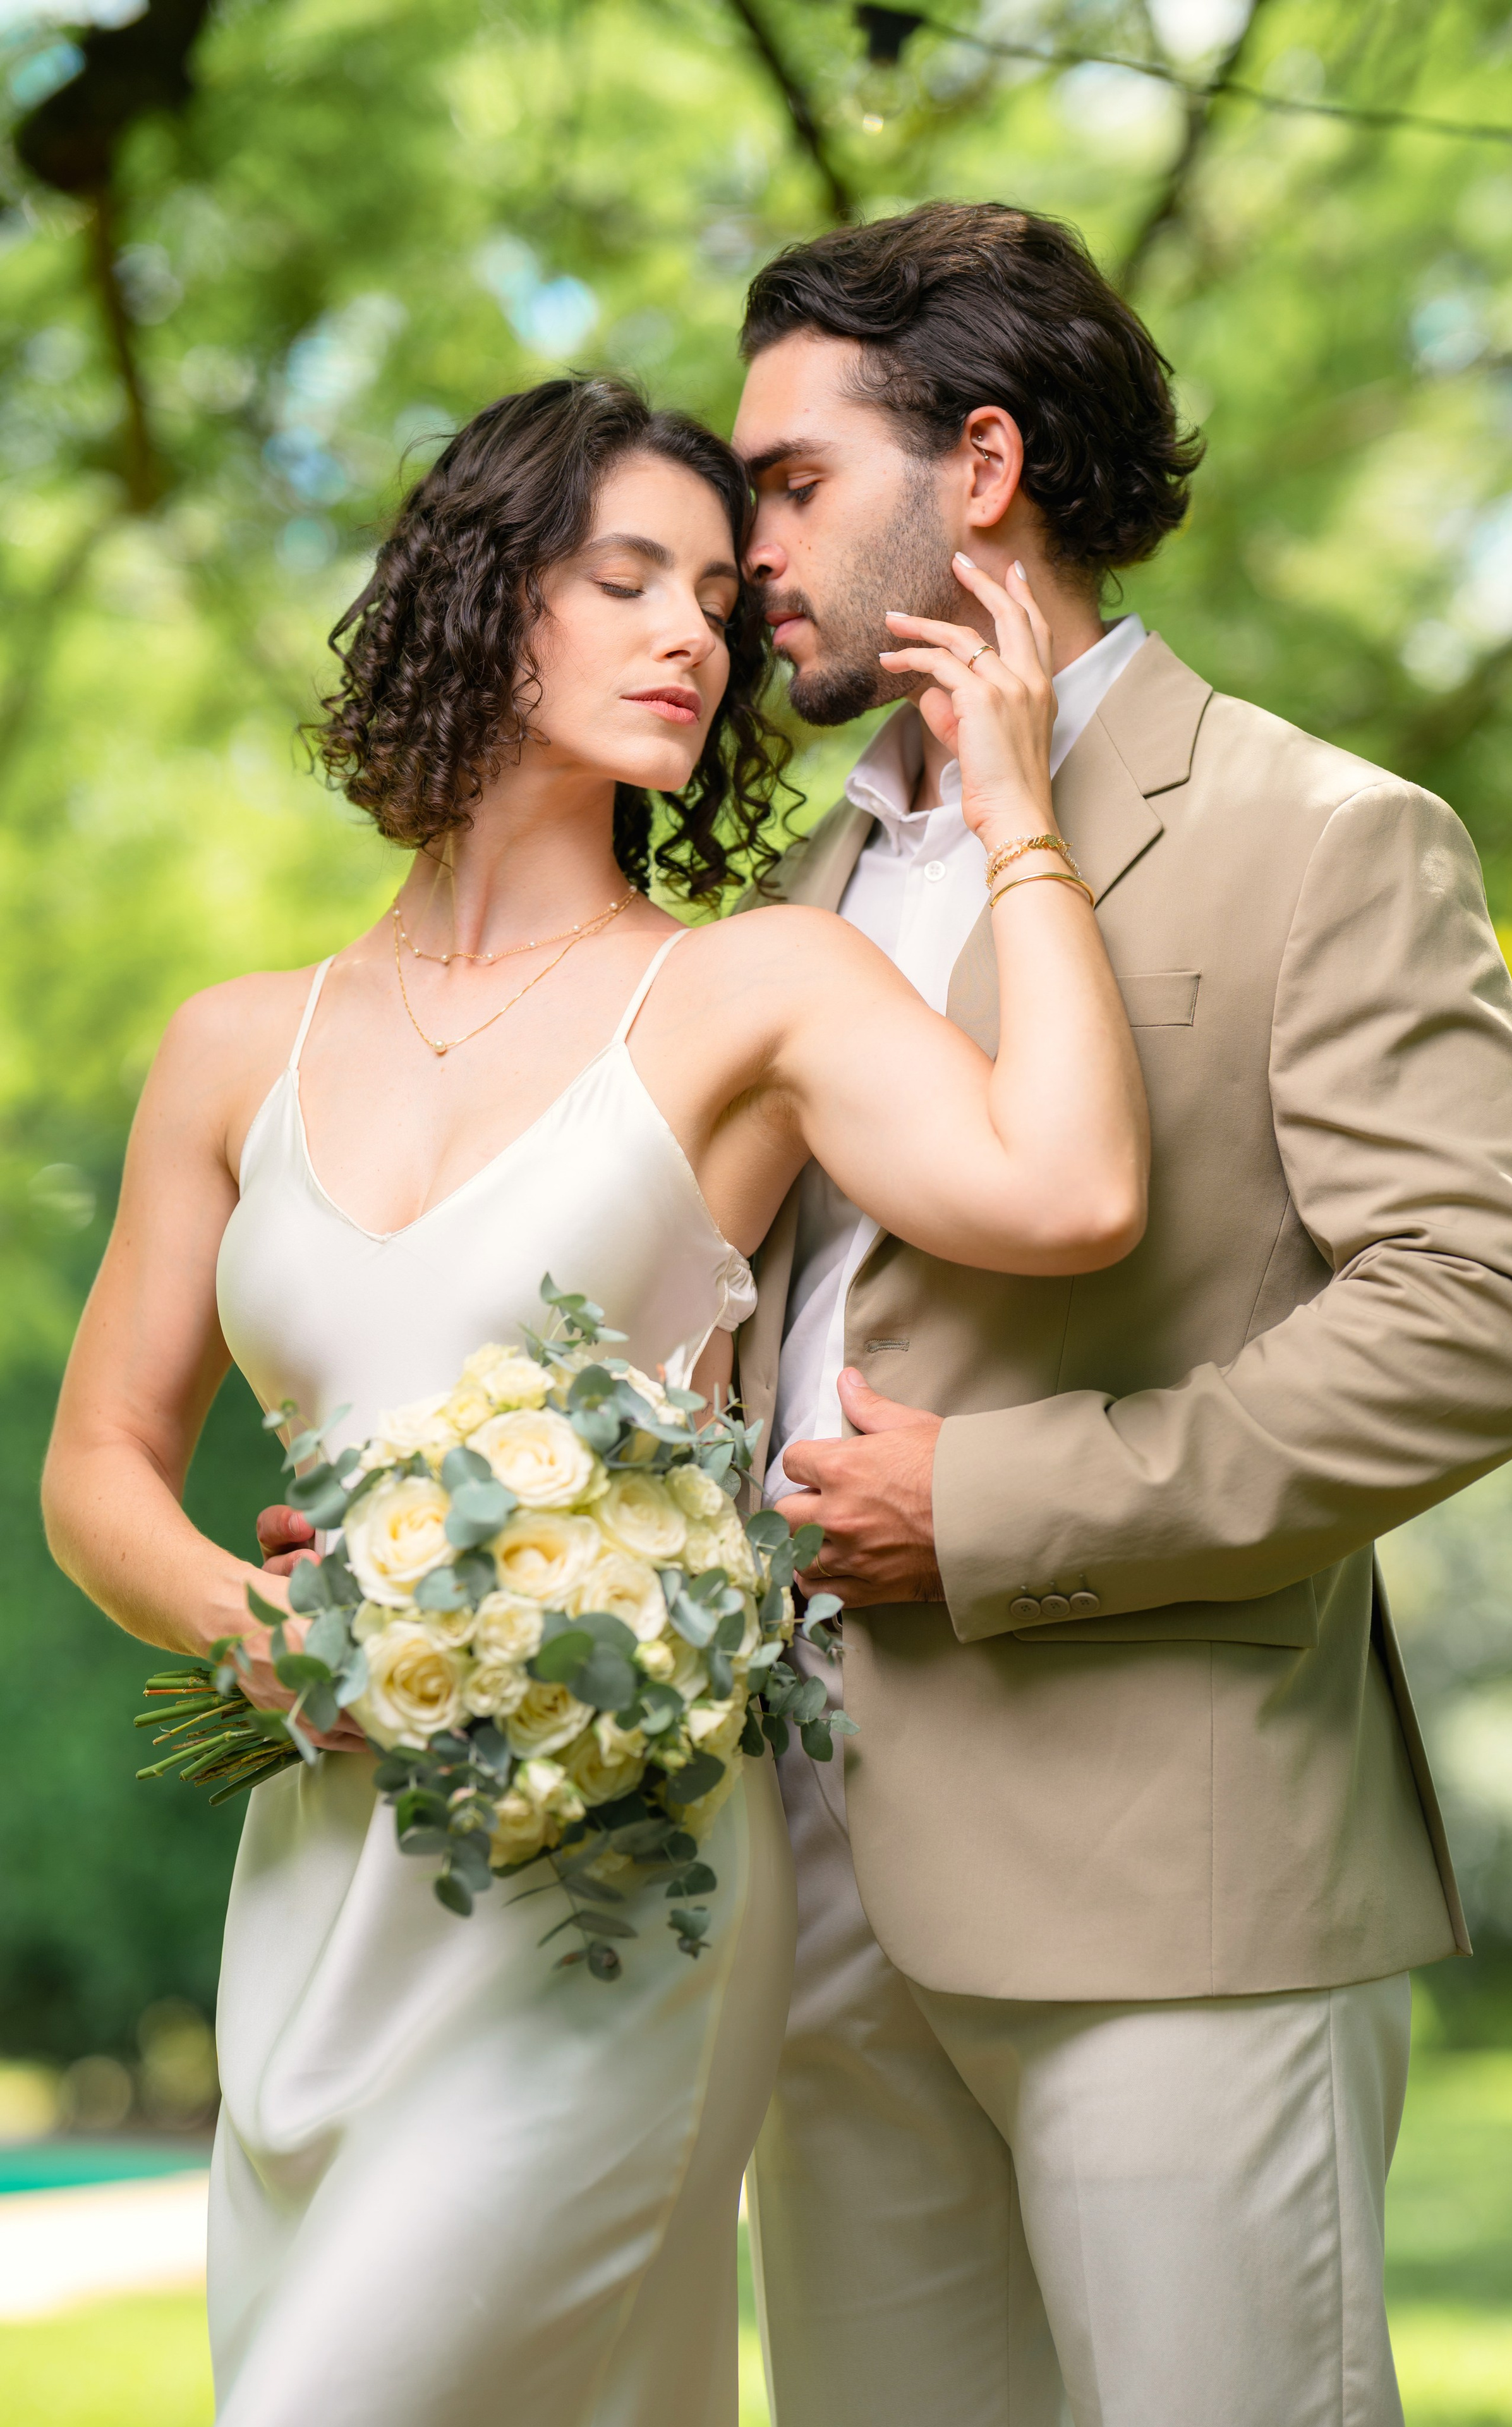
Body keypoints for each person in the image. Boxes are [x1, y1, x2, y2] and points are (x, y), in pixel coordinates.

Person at [40, 372, 1147, 2426]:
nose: (694, 638)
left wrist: (1019, 822)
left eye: (720, 597)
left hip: (613, 1895)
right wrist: (256, 1626)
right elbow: (97, 1467)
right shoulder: (228, 1049)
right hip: (329, 1882)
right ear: (481, 600)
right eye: (627, 577)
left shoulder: (753, 990)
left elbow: (1073, 1191)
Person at [720, 203, 1512, 2427]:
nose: (746, 553)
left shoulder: (1322, 834)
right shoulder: (786, 895)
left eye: (792, 483)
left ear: (982, 469)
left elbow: (1486, 1318)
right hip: (804, 1882)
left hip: (1172, 1879)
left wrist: (998, 1502)